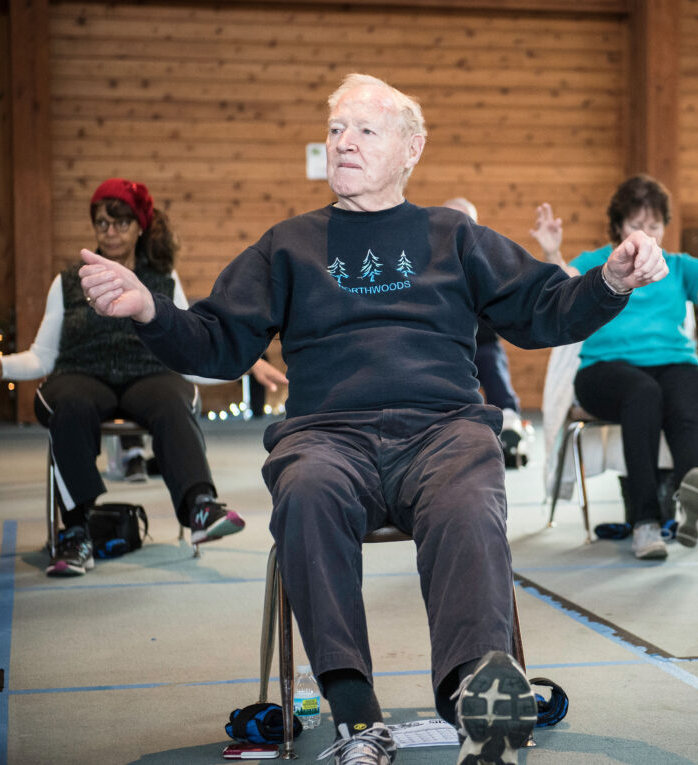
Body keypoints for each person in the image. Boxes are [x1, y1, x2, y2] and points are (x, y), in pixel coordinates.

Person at [78, 74, 667, 765]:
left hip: (442, 429)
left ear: (411, 148)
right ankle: (357, 717)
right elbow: (218, 342)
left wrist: (611, 281)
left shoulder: (455, 236)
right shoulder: (288, 245)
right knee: (306, 490)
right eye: (335, 130)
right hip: (327, 436)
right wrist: (150, 310)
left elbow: (545, 310)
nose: (344, 142)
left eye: (364, 129)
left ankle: (473, 698)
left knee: (471, 497)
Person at [0, 178, 287, 577]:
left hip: (150, 375)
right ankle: (75, 532)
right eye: (102, 223)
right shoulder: (68, 280)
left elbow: (186, 349)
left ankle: (200, 507)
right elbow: (43, 357)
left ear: (140, 227)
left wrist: (244, 365)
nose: (110, 232)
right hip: (81, 375)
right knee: (70, 404)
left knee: (173, 399)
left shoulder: (163, 278)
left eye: (121, 223)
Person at [531, 174, 698, 560]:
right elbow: (562, 289)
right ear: (618, 226)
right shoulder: (594, 262)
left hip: (673, 362)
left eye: (654, 225)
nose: (646, 233)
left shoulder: (676, 266)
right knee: (643, 393)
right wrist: (552, 251)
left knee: (690, 392)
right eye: (637, 224)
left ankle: (692, 504)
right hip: (604, 370)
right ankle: (645, 522)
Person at [441, 197, 526, 466]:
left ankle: (509, 419)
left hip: (481, 342)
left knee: (491, 360)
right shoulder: (425, 263)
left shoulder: (485, 260)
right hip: (442, 346)